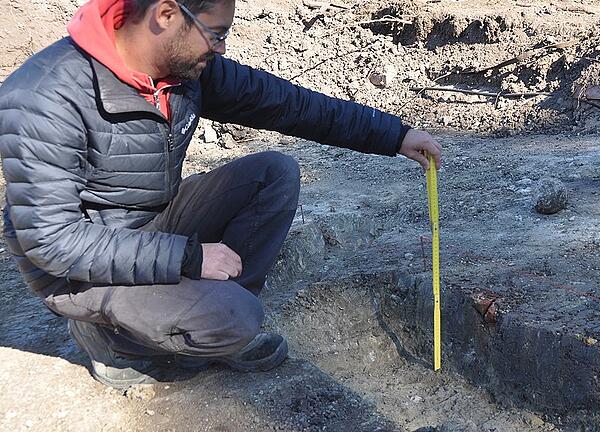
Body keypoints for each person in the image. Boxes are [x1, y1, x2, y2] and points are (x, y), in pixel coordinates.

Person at [0, 0, 442, 389]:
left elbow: (288, 104)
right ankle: (116, 342)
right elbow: (51, 241)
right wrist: (189, 257)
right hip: (80, 271)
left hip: (150, 221)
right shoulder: (43, 97)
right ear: (167, 14)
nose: (222, 48)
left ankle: (210, 317)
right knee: (234, 319)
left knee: (274, 173)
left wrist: (394, 136)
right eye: (216, 33)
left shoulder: (182, 71)